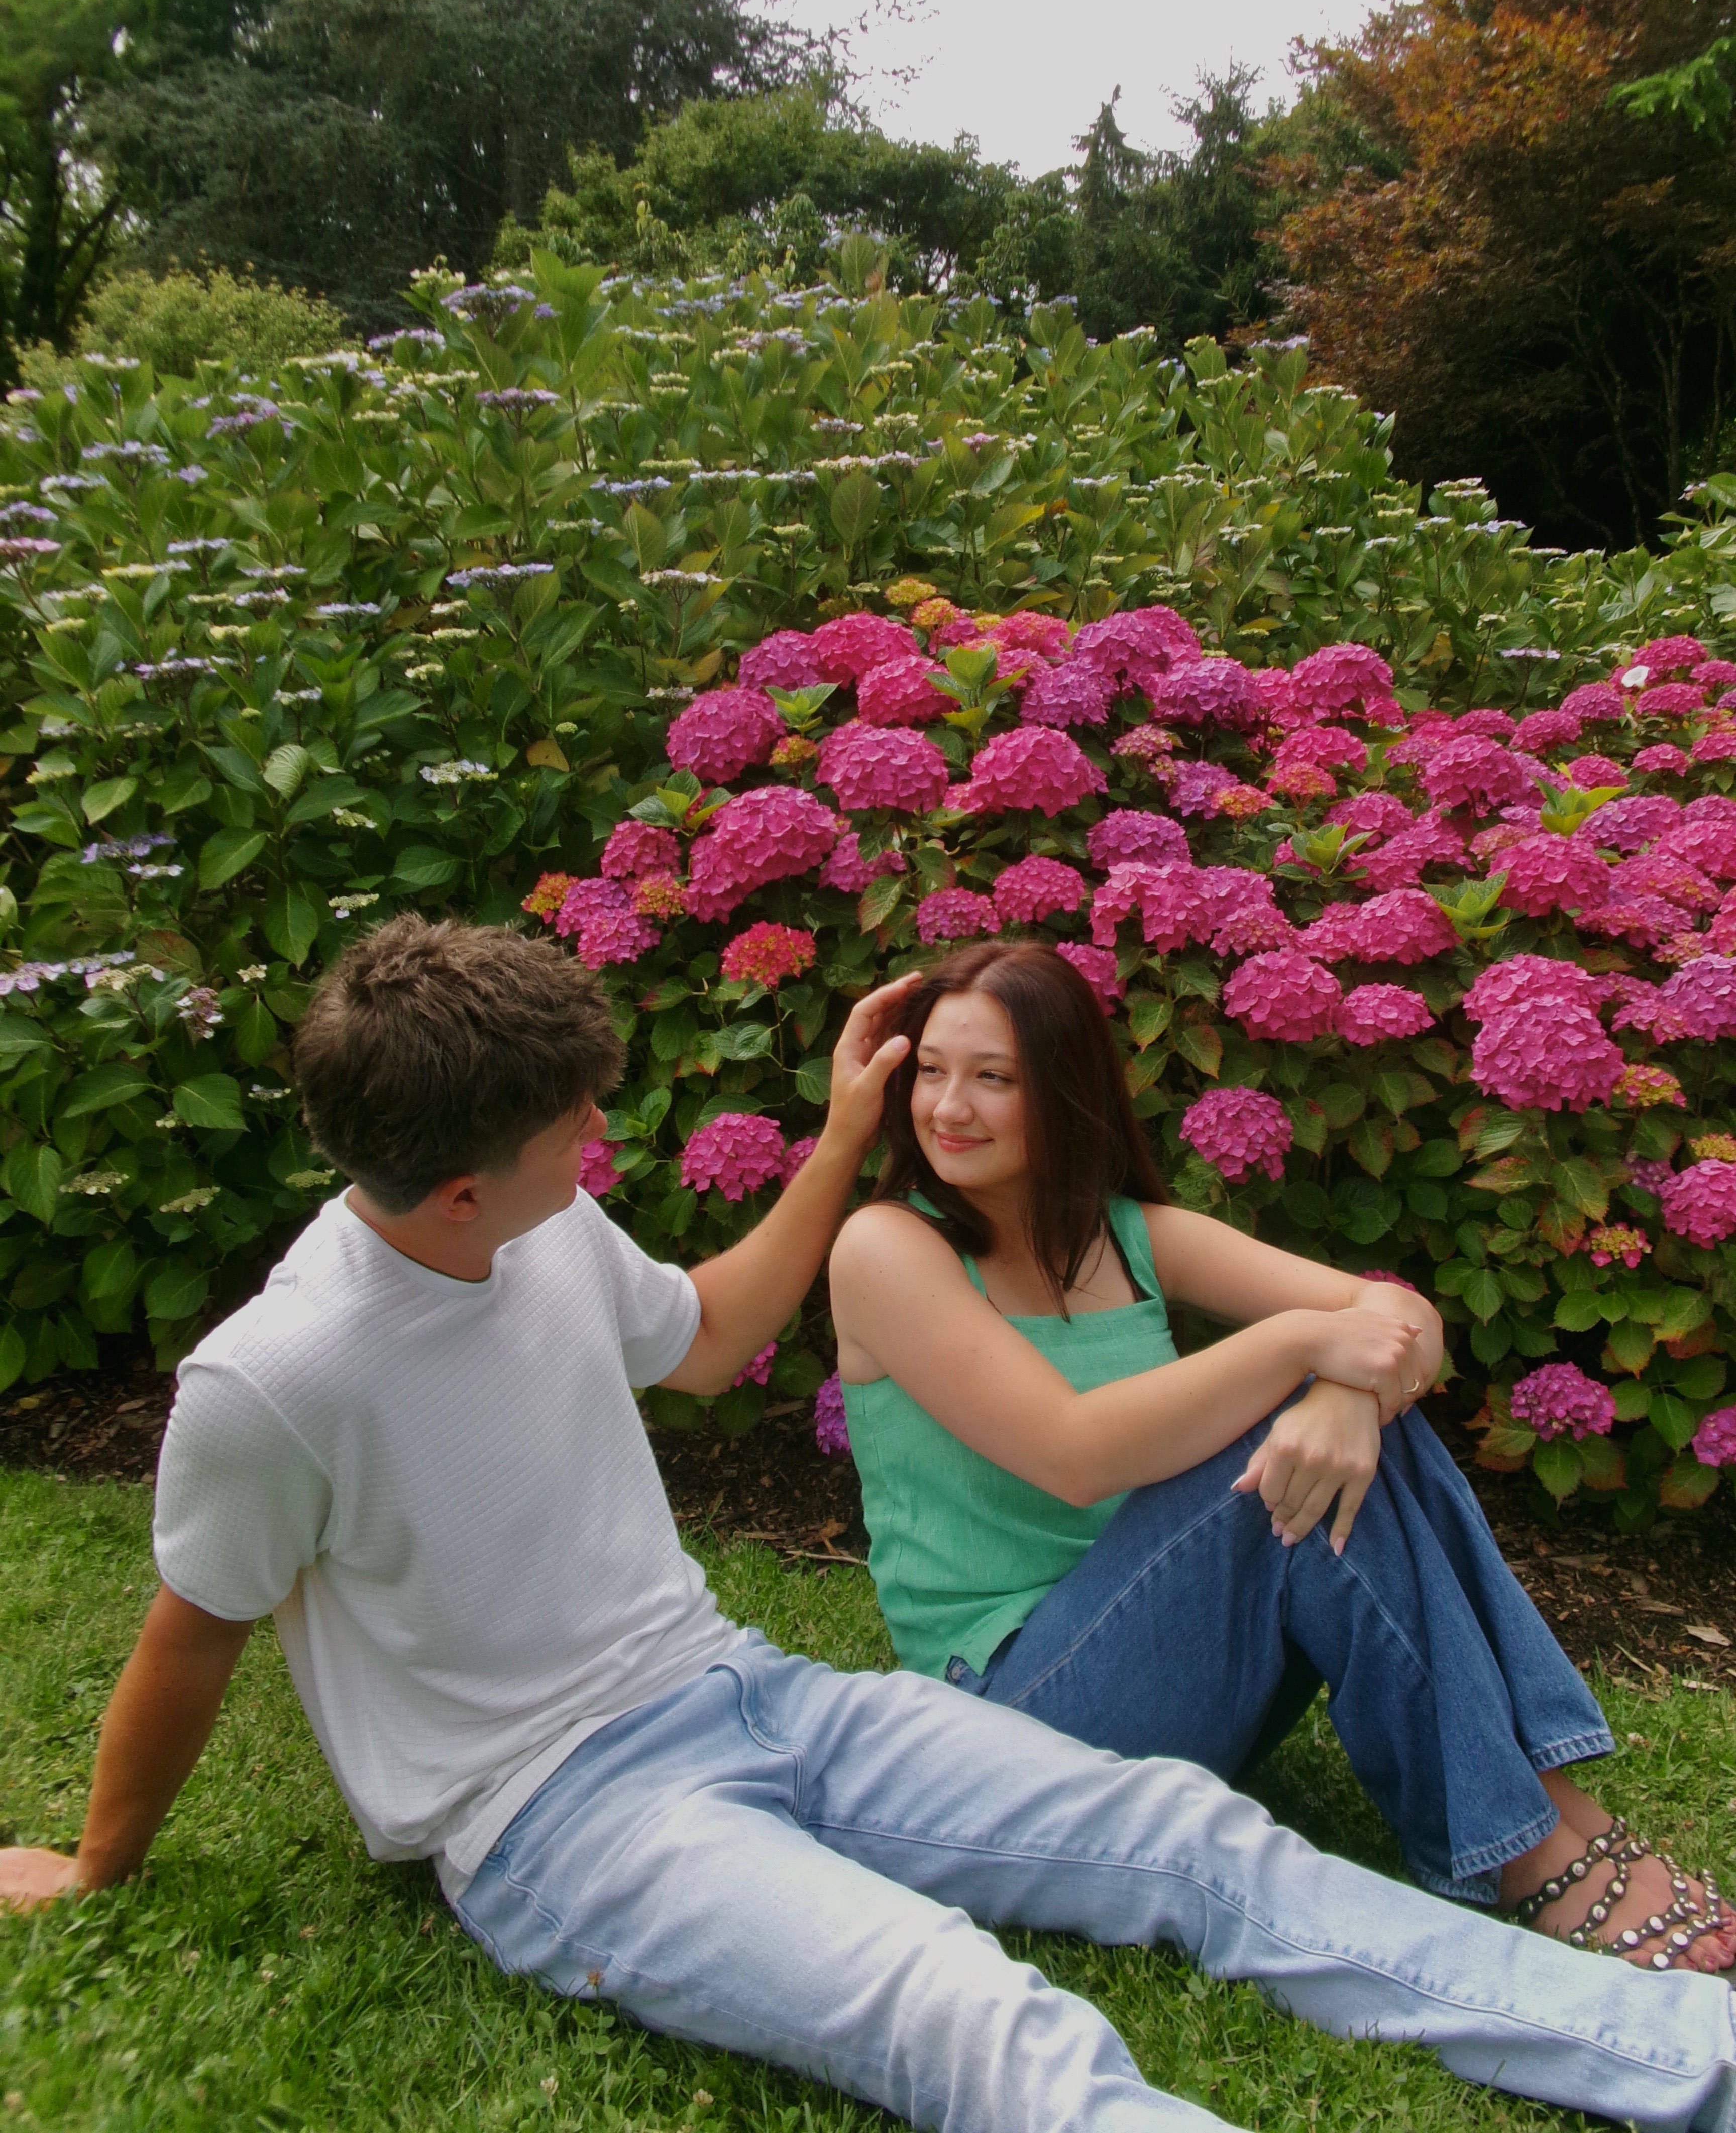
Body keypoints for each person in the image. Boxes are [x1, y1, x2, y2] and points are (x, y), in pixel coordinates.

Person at [4, 914, 1736, 2133]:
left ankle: (1689, 2052)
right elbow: (192, 1632)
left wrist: (843, 1134)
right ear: (463, 1185)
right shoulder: (279, 1378)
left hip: (748, 1690)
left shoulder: (537, 1233)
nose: (602, 1134)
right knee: (963, 2007)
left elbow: (707, 1335)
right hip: (559, 1815)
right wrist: (96, 1865)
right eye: (572, 1124)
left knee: (1200, 1841)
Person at [828, 939, 1734, 1978]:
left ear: (1065, 1089)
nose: (949, 1107)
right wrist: (1307, 1350)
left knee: (1352, 1423)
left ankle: (1546, 1814)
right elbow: (1071, 1453)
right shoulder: (888, 1249)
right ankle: (1532, 1849)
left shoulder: (1126, 1237)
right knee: (1288, 1425)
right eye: (931, 1072)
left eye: (993, 1078)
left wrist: (1347, 1391)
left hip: (1170, 1684)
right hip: (1009, 1725)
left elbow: (1402, 1318)